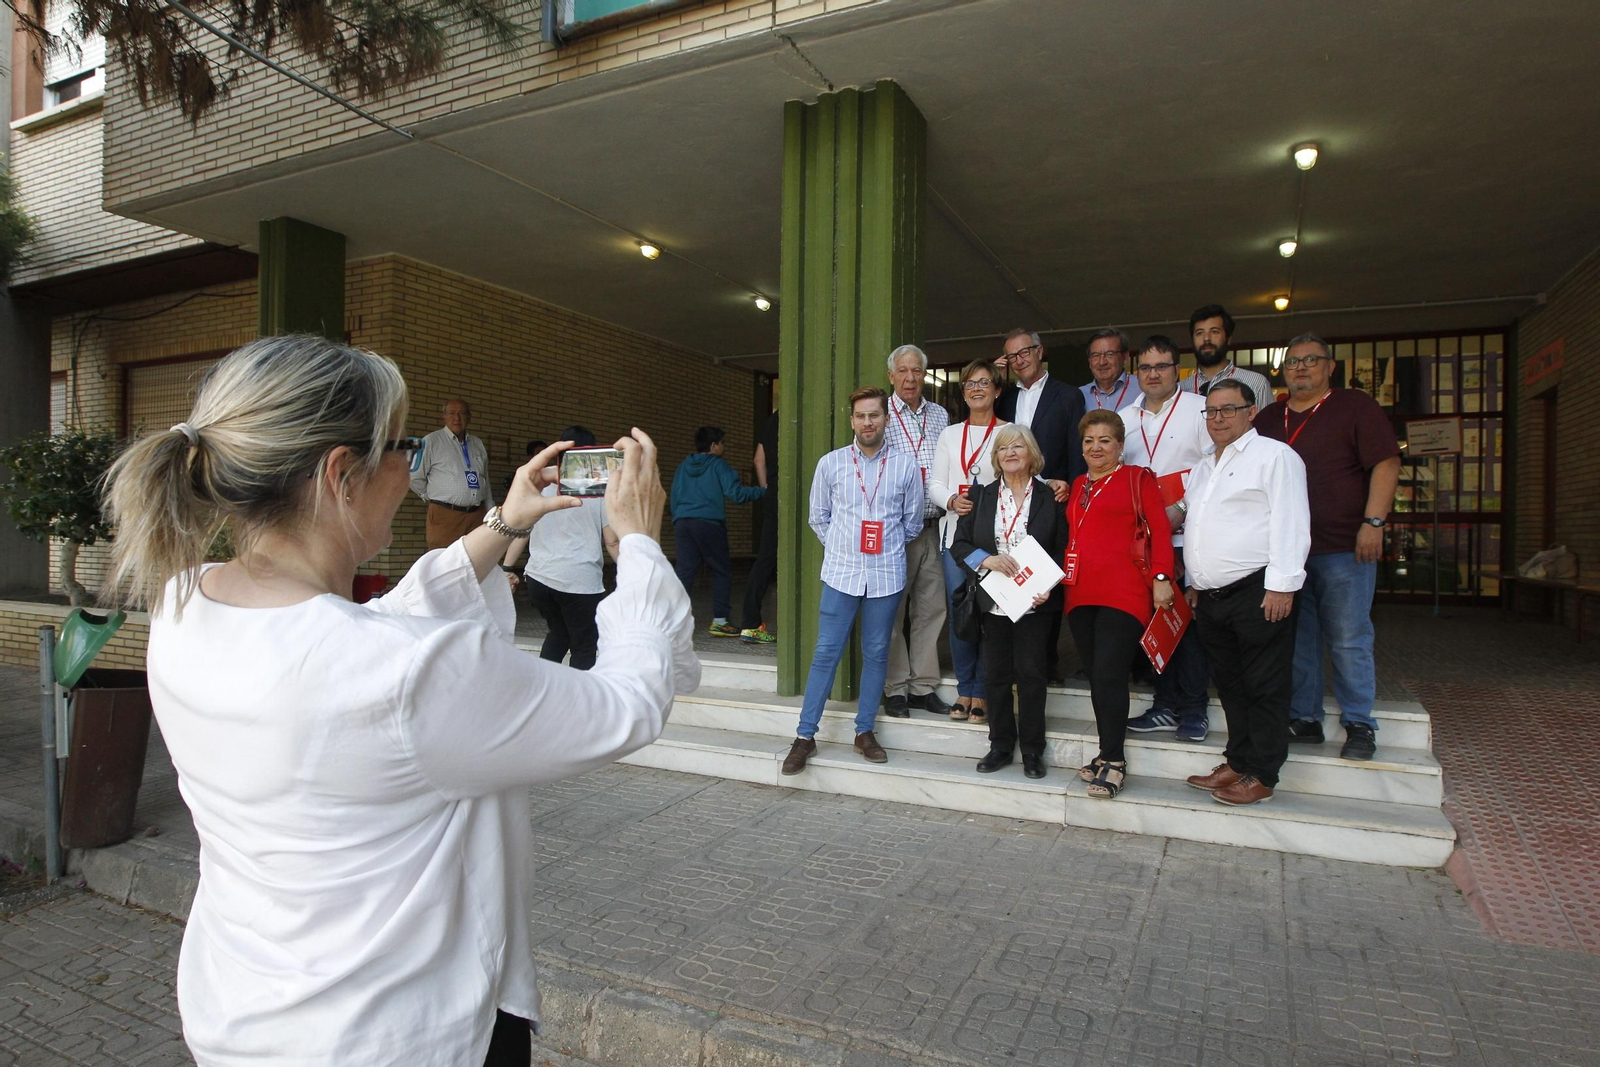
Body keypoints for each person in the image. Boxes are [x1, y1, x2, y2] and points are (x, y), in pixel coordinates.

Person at [101, 335, 698, 1067]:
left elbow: (361, 634)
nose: (411, 470)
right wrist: (638, 540)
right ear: (341, 473)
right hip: (401, 1034)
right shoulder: (405, 672)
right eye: (403, 448)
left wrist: (502, 525)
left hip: (244, 1012)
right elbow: (628, 704)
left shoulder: (184, 602)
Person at [1256, 333, 1401, 761]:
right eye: (1293, 362)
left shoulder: (1355, 407)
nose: (1301, 368)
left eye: (1311, 360)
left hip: (1342, 546)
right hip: (1285, 552)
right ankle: (1305, 717)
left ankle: (1359, 722)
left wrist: (1374, 522)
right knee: (1298, 638)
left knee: (1348, 637)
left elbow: (1386, 463)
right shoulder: (1267, 418)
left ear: (1330, 367)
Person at [1182, 380, 1311, 806]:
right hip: (1213, 598)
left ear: (1251, 412)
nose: (1217, 418)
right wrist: (1195, 583)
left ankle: (1263, 773)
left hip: (1259, 592)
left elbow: (1291, 522)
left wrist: (1282, 585)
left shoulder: (1275, 457)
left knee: (1265, 686)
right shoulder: (1204, 466)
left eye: (1228, 409)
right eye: (1211, 411)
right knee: (1232, 687)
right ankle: (1238, 761)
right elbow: (1197, 528)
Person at [782, 387, 922, 775]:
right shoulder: (830, 464)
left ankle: (864, 732)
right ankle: (804, 736)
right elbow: (817, 517)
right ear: (852, 420)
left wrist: (880, 548)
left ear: (886, 419)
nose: (868, 422)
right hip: (841, 574)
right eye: (861, 416)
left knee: (877, 653)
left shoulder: (906, 466)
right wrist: (846, 547)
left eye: (874, 415)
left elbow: (911, 523)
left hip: (886, 575)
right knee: (826, 653)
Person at [1059, 410, 1176, 799]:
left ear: (1120, 446)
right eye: (1089, 440)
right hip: (1080, 593)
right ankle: (1104, 751)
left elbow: (1160, 528)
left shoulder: (1136, 478)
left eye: (1105, 440)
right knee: (1096, 674)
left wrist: (1161, 577)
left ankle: (1114, 760)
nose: (1096, 447)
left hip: (1124, 593)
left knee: (1109, 672)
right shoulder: (1078, 485)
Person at [951, 425, 1068, 779]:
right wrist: (986, 560)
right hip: (994, 600)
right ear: (996, 459)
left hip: (1036, 601)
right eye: (1004, 449)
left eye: (1018, 446)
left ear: (1032, 454)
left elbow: (1063, 548)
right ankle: (1000, 745)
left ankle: (1033, 750)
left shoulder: (1051, 497)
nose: (1011, 453)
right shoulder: (982, 496)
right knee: (997, 675)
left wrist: (1051, 585)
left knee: (1032, 674)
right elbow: (959, 547)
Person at [1119, 336, 1214, 741]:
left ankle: (1194, 708)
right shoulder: (1123, 418)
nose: (1153, 374)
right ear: (1136, 372)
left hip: (1190, 536)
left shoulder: (1199, 411)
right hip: (1144, 543)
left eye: (1161, 366)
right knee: (1154, 623)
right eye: (1145, 368)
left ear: (1179, 369)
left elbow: (1215, 467)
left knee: (1187, 624)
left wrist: (1181, 511)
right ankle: (1164, 703)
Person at [994, 327, 1087, 685]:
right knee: (1013, 575)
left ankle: (1046, 662)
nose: (1020, 360)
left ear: (1039, 351)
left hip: (1052, 499)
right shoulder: (1004, 400)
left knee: (1046, 582)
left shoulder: (1067, 395)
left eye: (1025, 352)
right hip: (1011, 500)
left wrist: (1072, 490)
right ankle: (1019, 659)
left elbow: (1075, 453)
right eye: (1012, 356)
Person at [502, 425, 620, 671]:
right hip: (580, 582)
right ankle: (580, 703)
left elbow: (521, 530)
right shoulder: (599, 489)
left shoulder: (540, 484)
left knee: (559, 633)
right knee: (584, 644)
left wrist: (507, 566)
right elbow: (611, 540)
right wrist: (633, 571)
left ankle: (543, 692)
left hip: (539, 579)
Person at [928, 359, 1007, 722]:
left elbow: (1019, 476)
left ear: (997, 390)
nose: (977, 389)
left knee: (991, 615)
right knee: (961, 611)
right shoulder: (950, 434)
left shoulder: (1010, 431)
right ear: (964, 393)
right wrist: (950, 501)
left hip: (995, 538)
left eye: (985, 382)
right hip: (953, 536)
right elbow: (935, 484)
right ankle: (965, 688)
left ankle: (984, 690)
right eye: (970, 384)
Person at [882, 344, 954, 717]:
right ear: (891, 376)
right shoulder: (881, 415)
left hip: (935, 527)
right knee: (893, 610)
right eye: (903, 372)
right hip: (897, 530)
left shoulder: (941, 415)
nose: (910, 378)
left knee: (931, 608)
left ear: (924, 375)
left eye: (916, 371)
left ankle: (924, 685)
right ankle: (895, 688)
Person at [669, 425, 765, 636]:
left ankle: (673, 622)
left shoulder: (683, 467)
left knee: (684, 572)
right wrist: (763, 491)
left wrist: (679, 518)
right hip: (709, 524)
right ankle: (720, 621)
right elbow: (736, 494)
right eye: (722, 443)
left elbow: (674, 497)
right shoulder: (718, 466)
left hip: (683, 523)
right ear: (714, 446)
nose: (724, 447)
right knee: (721, 571)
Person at [410, 398, 493, 549]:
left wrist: (490, 510)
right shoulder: (431, 441)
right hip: (446, 514)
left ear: (469, 417)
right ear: (444, 416)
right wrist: (433, 497)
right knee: (443, 562)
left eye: (462, 413)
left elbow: (484, 479)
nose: (457, 418)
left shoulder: (477, 443)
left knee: (477, 562)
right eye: (452, 413)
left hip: (477, 514)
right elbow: (414, 476)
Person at [740, 409, 782, 643]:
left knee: (765, 559)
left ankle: (750, 622)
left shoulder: (771, 419)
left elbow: (758, 459)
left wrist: (767, 488)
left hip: (774, 493)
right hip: (802, 490)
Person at [1181, 304, 1274, 407]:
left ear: (1229, 338)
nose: (1206, 338)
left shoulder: (1257, 384)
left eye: (1214, 331)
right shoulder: (1180, 389)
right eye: (1199, 333)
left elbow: (1266, 423)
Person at [1080, 328, 1143, 413]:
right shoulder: (1080, 395)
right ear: (1089, 361)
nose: (1102, 362)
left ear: (1125, 357)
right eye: (1095, 355)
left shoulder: (1142, 388)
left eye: (1110, 354)